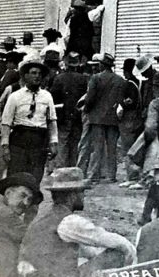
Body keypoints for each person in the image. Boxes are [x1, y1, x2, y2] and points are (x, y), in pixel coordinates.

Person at [18, 168, 135, 277]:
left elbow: (86, 250)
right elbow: (120, 244)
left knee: (85, 258)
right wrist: (132, 265)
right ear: (72, 196)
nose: (83, 197)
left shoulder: (46, 215)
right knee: (117, 254)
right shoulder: (69, 221)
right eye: (82, 193)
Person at [1, 58, 58, 185]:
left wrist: (53, 142)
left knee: (35, 177)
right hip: (19, 139)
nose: (37, 76)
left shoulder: (47, 96)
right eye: (33, 73)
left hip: (39, 140)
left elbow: (52, 121)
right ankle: (14, 204)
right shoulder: (15, 96)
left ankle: (32, 205)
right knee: (16, 175)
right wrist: (5, 146)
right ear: (25, 76)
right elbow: (6, 123)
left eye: (39, 74)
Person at [83, 52, 124, 182]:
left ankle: (94, 175)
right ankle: (111, 175)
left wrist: (86, 110)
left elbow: (89, 99)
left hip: (97, 118)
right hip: (112, 118)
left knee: (97, 148)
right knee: (112, 148)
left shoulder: (95, 78)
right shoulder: (119, 79)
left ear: (101, 64)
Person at [50, 52, 88, 168]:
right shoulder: (83, 79)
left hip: (63, 114)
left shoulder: (59, 78)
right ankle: (74, 168)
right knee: (75, 142)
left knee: (62, 142)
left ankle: (61, 169)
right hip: (77, 115)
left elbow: (53, 97)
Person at [118, 58, 144, 188]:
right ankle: (136, 175)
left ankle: (132, 176)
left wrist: (121, 104)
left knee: (127, 148)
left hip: (128, 118)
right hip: (137, 118)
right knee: (136, 148)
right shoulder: (139, 83)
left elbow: (128, 102)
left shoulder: (128, 84)